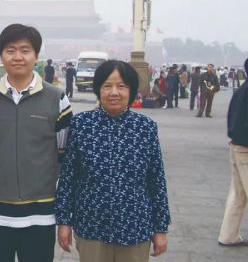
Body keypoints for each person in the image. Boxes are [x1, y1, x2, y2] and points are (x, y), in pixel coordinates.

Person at [56, 60, 171, 262]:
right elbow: (68, 177)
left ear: (131, 90)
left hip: (135, 227)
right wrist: (64, 221)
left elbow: (156, 180)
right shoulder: (82, 124)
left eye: (121, 86)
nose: (114, 92)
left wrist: (160, 228)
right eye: (107, 86)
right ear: (98, 89)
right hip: (91, 225)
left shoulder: (145, 128)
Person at [0, 24, 72, 262]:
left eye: (25, 50)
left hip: (40, 213)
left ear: (36, 56)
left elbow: (64, 154)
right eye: (10, 50)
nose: (18, 57)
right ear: (1, 56)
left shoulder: (56, 98)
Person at [219, 58, 248, 247]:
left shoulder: (241, 89)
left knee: (238, 195)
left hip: (237, 146)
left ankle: (228, 235)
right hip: (246, 148)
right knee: (239, 194)